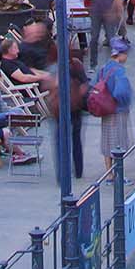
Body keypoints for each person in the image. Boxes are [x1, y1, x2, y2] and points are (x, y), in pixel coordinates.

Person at [39, 51, 88, 183]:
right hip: (75, 107)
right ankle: (78, 170)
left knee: (60, 141)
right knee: (76, 138)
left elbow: (48, 86)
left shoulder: (54, 68)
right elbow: (85, 85)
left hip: (59, 109)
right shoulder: (76, 65)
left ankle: (62, 174)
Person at [92, 35, 134, 163]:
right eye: (125, 54)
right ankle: (118, 174)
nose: (126, 57)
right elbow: (121, 92)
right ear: (120, 54)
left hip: (105, 109)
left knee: (107, 141)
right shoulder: (119, 71)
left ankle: (109, 172)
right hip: (118, 109)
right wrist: (127, 101)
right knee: (118, 142)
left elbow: (94, 84)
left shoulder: (104, 68)